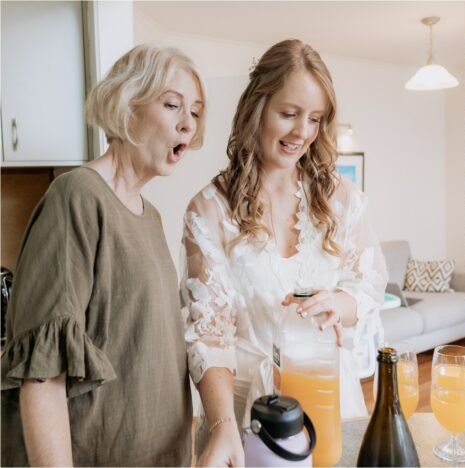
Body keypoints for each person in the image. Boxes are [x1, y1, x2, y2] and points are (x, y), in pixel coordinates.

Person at [181, 39, 387, 466]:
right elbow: (208, 336)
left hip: (327, 401)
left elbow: (366, 286)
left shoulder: (342, 199)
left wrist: (341, 303)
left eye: (314, 119)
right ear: (257, 107)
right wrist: (221, 427)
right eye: (289, 114)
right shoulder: (210, 210)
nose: (302, 133)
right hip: (242, 417)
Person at [0, 44, 205, 466]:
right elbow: (43, 374)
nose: (189, 125)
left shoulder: (151, 216)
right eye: (173, 105)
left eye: (197, 112)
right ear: (127, 106)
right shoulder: (77, 197)